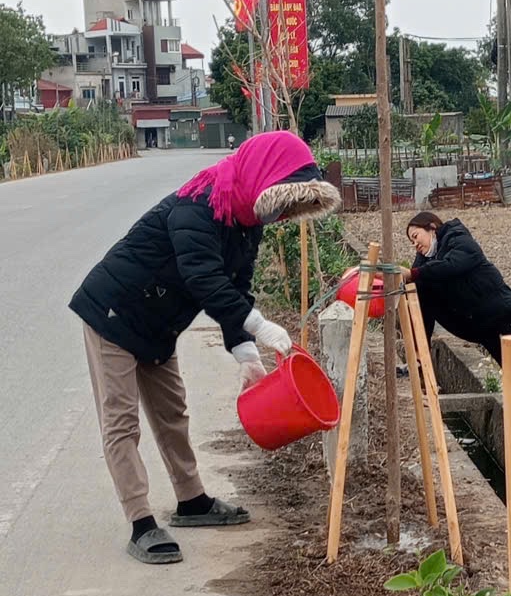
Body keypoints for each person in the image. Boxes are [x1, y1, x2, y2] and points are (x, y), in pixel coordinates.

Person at [70, 131, 341, 566]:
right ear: (264, 178)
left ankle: (191, 501)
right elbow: (204, 280)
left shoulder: (246, 223)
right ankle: (141, 522)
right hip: (113, 313)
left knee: (172, 414)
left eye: (291, 210)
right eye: (285, 204)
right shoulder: (197, 207)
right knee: (122, 422)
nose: (286, 216)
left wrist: (247, 355)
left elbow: (237, 288)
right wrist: (258, 326)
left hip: (158, 324)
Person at [402, 211, 511, 470]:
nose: (415, 244)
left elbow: (453, 266)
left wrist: (415, 274)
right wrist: (420, 349)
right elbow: (424, 304)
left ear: (432, 228)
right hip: (474, 323)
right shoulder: (426, 260)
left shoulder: (459, 239)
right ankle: (419, 357)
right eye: (411, 241)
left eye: (416, 236)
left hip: (500, 317)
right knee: (423, 289)